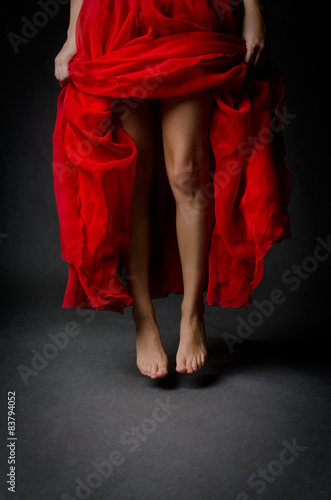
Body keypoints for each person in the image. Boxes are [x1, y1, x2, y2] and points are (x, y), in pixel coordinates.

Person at [53, 0, 292, 380]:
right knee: (134, 182)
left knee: (187, 174)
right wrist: (71, 33)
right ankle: (143, 318)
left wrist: (254, 11)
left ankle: (193, 314)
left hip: (189, 11)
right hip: (115, 18)